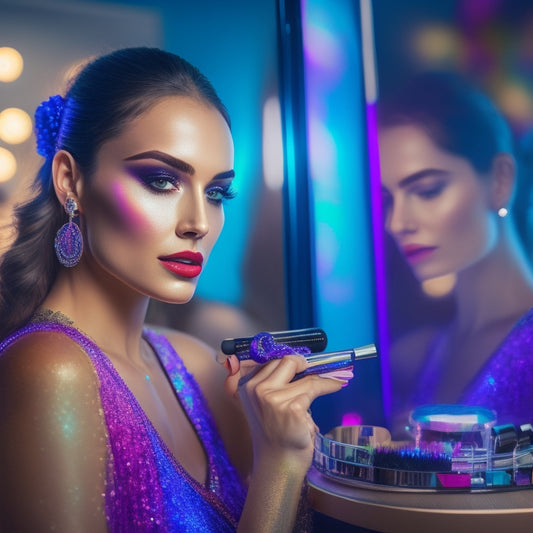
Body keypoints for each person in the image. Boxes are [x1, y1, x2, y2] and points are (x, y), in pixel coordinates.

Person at [0, 47, 350, 532]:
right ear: (70, 180)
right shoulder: (49, 370)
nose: (199, 224)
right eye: (162, 181)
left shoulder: (195, 364)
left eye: (216, 192)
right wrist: (281, 464)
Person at [377, 71, 533, 437]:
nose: (396, 223)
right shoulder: (414, 355)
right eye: (387, 200)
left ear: (499, 182)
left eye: (428, 190)